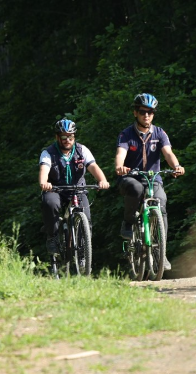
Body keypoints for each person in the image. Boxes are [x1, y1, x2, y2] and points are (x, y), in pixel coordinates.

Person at [115, 93, 185, 271]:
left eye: (150, 112)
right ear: (135, 113)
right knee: (136, 188)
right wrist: (120, 166)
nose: (146, 115)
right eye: (142, 111)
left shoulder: (159, 133)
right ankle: (129, 222)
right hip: (131, 177)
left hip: (153, 178)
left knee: (161, 202)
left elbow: (168, 153)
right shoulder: (126, 134)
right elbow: (120, 154)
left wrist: (176, 166)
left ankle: (161, 253)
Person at [38, 119, 110, 255]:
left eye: (70, 137)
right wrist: (44, 182)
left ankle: (83, 252)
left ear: (74, 137)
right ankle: (52, 237)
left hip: (78, 189)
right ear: (57, 137)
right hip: (55, 189)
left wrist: (102, 180)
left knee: (87, 219)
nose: (67, 140)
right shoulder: (48, 153)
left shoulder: (82, 150)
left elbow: (93, 166)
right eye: (63, 137)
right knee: (50, 203)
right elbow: (44, 170)